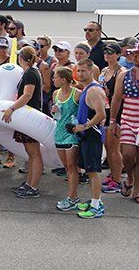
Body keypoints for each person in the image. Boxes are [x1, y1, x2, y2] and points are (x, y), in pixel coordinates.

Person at [3, 46, 43, 198]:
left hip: (30, 117)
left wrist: (11, 109)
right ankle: (29, 183)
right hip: (27, 117)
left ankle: (33, 186)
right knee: (30, 153)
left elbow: (27, 95)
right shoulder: (29, 72)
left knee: (34, 153)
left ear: (21, 59)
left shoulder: (31, 73)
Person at [73, 58, 108, 218]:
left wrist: (84, 126)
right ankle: (95, 201)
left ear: (91, 71)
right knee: (89, 171)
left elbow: (102, 114)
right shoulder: (87, 88)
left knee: (93, 172)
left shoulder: (94, 90)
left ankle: (96, 206)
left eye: (83, 71)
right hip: (87, 137)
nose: (80, 74)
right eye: (78, 71)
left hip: (92, 137)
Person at [109, 46, 139, 201]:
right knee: (127, 155)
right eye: (134, 53)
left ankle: (137, 190)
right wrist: (113, 120)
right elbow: (117, 98)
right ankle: (130, 178)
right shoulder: (125, 75)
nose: (135, 56)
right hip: (128, 119)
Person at [51, 66, 82, 211]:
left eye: (55, 77)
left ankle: (73, 197)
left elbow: (86, 111)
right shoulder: (55, 93)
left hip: (72, 135)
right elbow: (55, 115)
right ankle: (72, 196)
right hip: (59, 133)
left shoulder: (77, 94)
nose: (53, 80)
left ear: (63, 79)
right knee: (66, 168)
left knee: (72, 167)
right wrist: (53, 111)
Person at [99, 43, 125, 194]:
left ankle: (117, 180)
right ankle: (113, 174)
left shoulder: (121, 72)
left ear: (118, 55)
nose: (107, 54)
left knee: (114, 148)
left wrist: (114, 119)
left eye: (111, 52)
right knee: (108, 146)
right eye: (105, 52)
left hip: (117, 113)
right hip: (106, 111)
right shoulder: (104, 70)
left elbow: (119, 96)